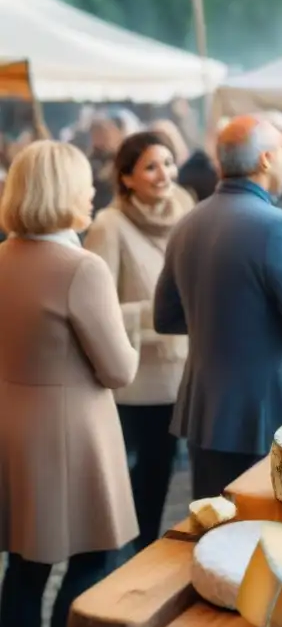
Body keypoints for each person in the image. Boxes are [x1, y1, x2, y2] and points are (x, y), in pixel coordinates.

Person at [154, 114, 282, 499]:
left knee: (218, 536)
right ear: (266, 160)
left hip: (207, 411)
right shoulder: (280, 227)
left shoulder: (187, 223)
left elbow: (166, 317)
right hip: (274, 412)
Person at [0, 141, 139, 627]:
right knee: (96, 557)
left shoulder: (4, 256)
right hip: (72, 433)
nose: (93, 193)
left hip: (14, 425)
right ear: (61, 190)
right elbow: (119, 370)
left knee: (25, 564)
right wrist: (135, 331)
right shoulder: (81, 267)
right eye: (84, 184)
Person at [84, 131, 195, 553]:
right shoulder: (109, 225)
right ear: (127, 178)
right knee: (145, 479)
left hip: (187, 369)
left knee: (169, 474)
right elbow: (97, 306)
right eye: (150, 166)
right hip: (138, 378)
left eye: (167, 162)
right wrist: (158, 310)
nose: (163, 173)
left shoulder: (187, 210)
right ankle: (129, 558)